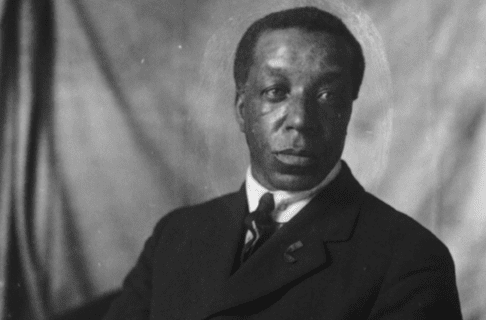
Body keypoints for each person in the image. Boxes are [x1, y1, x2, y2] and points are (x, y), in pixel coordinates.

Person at [104, 6, 462, 319]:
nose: (301, 120)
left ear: (348, 112)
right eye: (276, 92)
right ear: (243, 111)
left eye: (327, 96)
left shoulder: (410, 258)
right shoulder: (176, 235)